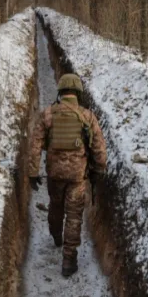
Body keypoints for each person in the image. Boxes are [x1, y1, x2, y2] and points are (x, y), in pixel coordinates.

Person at [29, 73, 107, 277]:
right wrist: (99, 171)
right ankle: (69, 259)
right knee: (73, 216)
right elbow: (99, 148)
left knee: (55, 206)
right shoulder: (87, 116)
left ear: (61, 92)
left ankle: (56, 235)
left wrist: (32, 172)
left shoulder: (47, 114)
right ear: (78, 93)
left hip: (54, 175)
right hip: (77, 176)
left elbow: (35, 145)